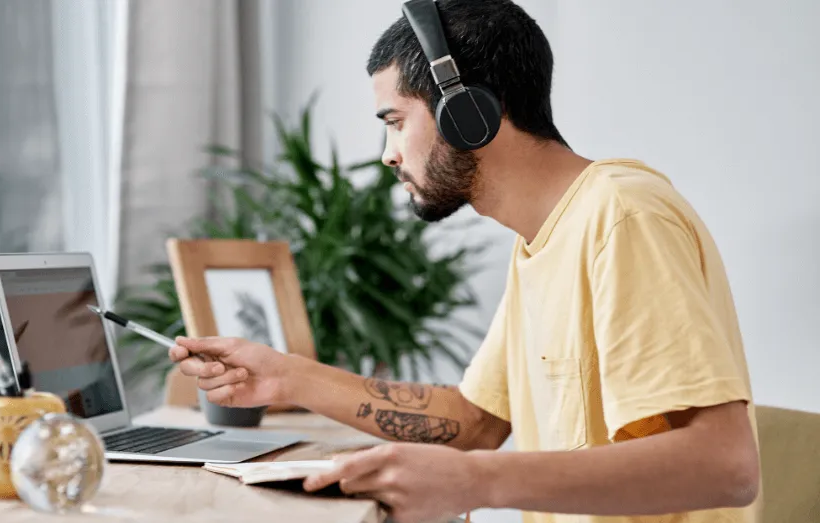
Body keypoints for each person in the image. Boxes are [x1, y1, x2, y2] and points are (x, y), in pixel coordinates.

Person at [168, 1, 762, 522]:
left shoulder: (622, 217)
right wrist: (286, 376)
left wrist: (477, 481)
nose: (388, 155)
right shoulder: (544, 238)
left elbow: (725, 466)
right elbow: (475, 421)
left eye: (395, 123)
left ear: (468, 111)